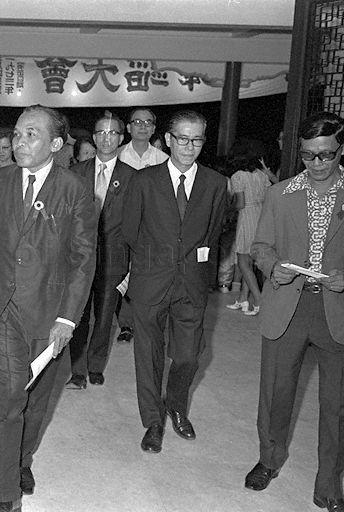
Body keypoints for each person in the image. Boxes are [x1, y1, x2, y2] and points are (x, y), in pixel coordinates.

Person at [0, 105, 96, 512]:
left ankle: (22, 459)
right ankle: (5, 494)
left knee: (38, 397)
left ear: (56, 144)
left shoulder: (75, 190)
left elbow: (84, 258)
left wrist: (67, 318)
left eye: (31, 134)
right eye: (18, 133)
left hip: (50, 312)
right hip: (3, 309)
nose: (19, 141)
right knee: (9, 395)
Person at [245, 112, 344, 512]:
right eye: (308, 156)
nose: (317, 165)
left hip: (335, 308)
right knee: (276, 393)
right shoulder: (280, 193)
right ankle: (269, 459)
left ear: (341, 149)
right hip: (288, 304)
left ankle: (329, 483)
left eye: (326, 155)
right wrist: (273, 267)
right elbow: (260, 246)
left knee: (336, 403)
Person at [122, 110, 226, 453]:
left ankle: (177, 405)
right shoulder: (144, 180)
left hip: (191, 284)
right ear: (167, 139)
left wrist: (194, 269)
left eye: (196, 139)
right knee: (149, 354)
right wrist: (152, 264)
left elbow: (212, 234)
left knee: (188, 355)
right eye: (182, 138)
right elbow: (130, 232)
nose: (189, 146)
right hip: (151, 281)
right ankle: (153, 421)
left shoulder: (215, 183)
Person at [66, 112, 134, 388]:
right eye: (101, 133)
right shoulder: (76, 173)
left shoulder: (133, 177)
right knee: (78, 314)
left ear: (121, 138)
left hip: (114, 259)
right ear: (94, 138)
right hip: (80, 259)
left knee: (105, 316)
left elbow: (135, 225)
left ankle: (95, 365)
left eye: (113, 133)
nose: (107, 138)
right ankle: (78, 370)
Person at [116, 107, 170, 344]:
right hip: (119, 226)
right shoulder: (116, 155)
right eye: (137, 122)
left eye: (148, 122)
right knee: (120, 273)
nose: (142, 126)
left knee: (144, 275)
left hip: (151, 229)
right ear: (128, 128)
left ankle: (142, 322)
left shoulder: (164, 160)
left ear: (154, 129)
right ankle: (125, 323)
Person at [224, 151, 276, 316]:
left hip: (247, 217)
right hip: (261, 216)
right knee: (250, 262)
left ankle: (259, 300)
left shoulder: (238, 176)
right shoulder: (260, 174)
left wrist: (227, 210)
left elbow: (240, 204)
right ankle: (242, 300)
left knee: (243, 263)